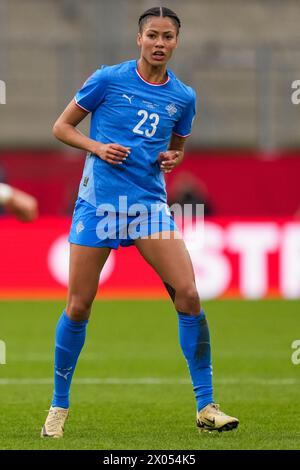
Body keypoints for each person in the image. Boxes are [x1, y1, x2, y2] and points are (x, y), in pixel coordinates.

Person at [41, 6, 239, 438]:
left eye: (168, 37)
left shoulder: (183, 97)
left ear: (176, 42)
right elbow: (60, 127)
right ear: (139, 39)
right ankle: (58, 405)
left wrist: (174, 157)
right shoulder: (108, 79)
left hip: (149, 208)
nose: (160, 43)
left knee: (187, 294)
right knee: (79, 305)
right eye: (153, 35)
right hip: (99, 207)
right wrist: (97, 146)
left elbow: (177, 147)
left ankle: (206, 405)